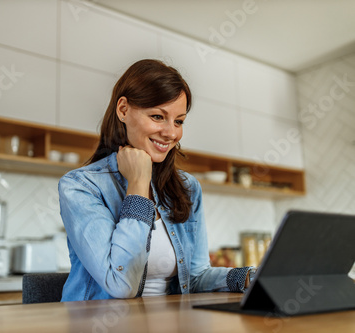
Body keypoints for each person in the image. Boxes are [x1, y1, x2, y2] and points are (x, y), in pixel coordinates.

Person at [58, 59, 254, 302]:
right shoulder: (81, 186)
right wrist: (138, 184)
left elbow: (195, 277)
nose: (171, 133)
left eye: (179, 121)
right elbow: (121, 285)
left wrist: (249, 277)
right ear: (123, 110)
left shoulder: (188, 188)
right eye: (158, 116)